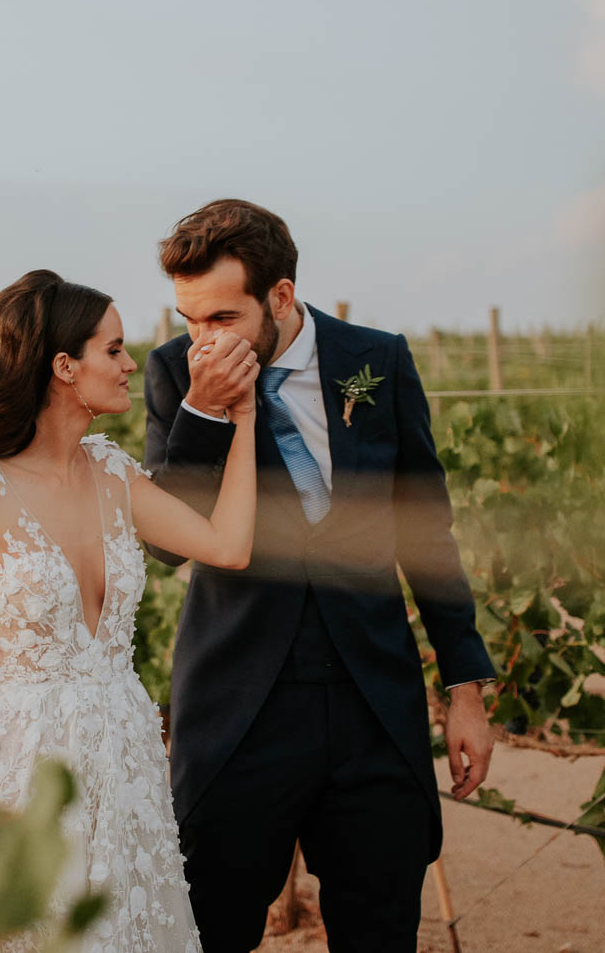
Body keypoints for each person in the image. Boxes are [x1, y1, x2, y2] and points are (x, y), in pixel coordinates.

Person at [144, 199, 497, 953]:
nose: (202, 337)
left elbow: (425, 530)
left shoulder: (377, 360)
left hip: (372, 702)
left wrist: (463, 688)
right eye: (189, 317)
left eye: (221, 317)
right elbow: (166, 544)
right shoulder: (175, 373)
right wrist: (203, 411)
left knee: (380, 928)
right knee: (207, 928)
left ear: (279, 295)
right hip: (238, 709)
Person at [0, 269, 260, 952]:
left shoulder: (114, 472)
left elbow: (228, 545)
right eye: (114, 349)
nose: (130, 365)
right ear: (64, 366)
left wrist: (244, 418)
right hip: (22, 761)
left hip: (126, 760)